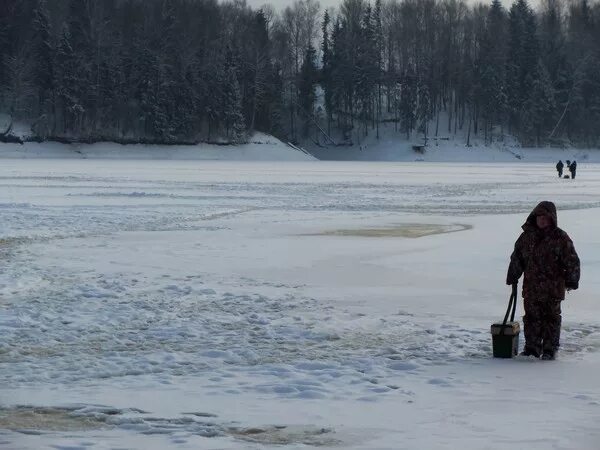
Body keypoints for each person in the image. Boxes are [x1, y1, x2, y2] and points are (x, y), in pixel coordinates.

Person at [506, 201, 580, 360]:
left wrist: (572, 280)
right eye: (539, 217)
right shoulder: (526, 237)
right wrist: (513, 275)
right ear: (534, 217)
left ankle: (549, 349)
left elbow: (572, 260)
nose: (542, 220)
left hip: (552, 289)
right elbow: (517, 258)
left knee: (551, 319)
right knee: (531, 318)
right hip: (531, 288)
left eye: (545, 217)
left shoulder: (560, 237)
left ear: (552, 218)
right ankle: (532, 349)